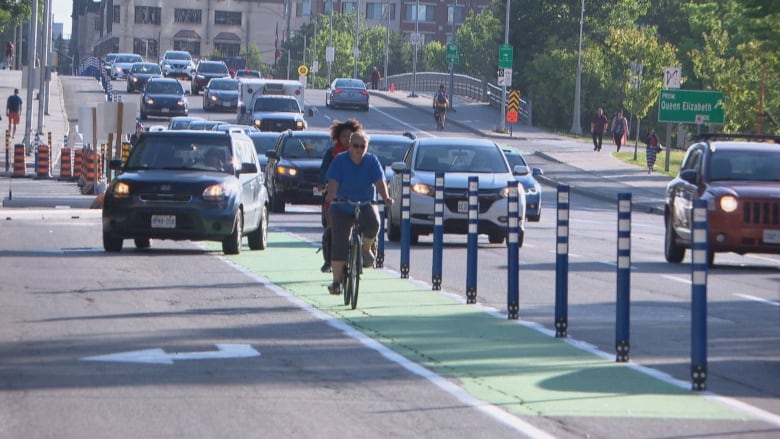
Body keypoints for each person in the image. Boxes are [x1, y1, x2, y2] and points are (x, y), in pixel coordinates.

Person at [325, 130, 393, 295]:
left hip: (364, 203)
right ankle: (336, 282)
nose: (359, 149)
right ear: (350, 145)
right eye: (356, 146)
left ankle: (365, 248)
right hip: (342, 205)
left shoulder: (371, 161)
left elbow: (379, 181)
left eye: (363, 146)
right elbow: (333, 181)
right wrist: (332, 195)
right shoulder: (340, 160)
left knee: (374, 223)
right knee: (339, 241)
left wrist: (386, 197)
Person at [318, 118, 363, 273]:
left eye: (350, 136)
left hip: (355, 195)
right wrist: (324, 183)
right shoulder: (332, 154)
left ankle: (364, 253)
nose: (347, 140)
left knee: (365, 222)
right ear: (338, 137)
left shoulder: (360, 153)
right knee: (332, 229)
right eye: (344, 136)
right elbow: (324, 172)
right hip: (335, 196)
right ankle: (328, 260)